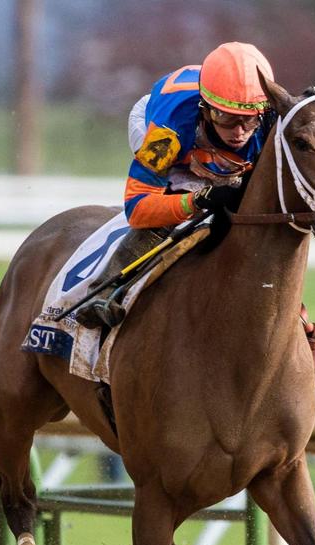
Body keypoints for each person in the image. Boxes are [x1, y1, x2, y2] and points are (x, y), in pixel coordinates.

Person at [73, 41, 276, 329]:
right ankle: (105, 293)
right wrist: (198, 201)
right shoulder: (167, 132)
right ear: (206, 110)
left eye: (249, 120)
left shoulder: (269, 118)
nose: (239, 132)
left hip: (214, 148)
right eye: (226, 117)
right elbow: (138, 208)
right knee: (181, 196)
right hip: (163, 126)